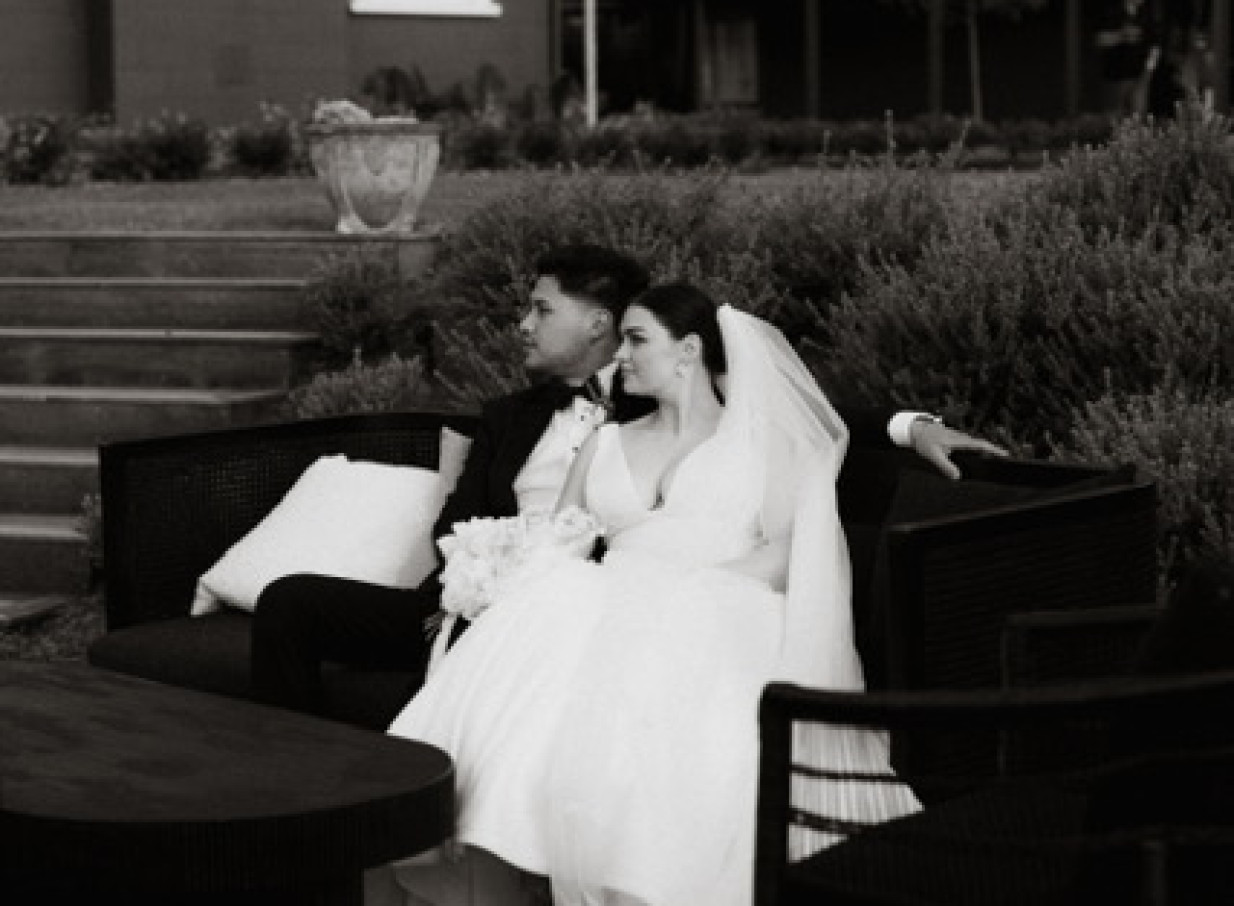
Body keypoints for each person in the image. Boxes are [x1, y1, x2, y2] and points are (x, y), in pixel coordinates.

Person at [251, 244, 1003, 720]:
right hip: (472, 600)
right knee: (290, 601)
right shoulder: (507, 417)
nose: (522, 324)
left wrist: (912, 426)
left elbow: (808, 414)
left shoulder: (682, 398)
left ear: (598, 324)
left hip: (594, 603)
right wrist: (464, 584)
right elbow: (458, 521)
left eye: (541, 309)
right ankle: (299, 788)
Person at [376, 285, 924, 906]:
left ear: (688, 349)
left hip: (724, 602)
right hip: (607, 598)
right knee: (522, 678)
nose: (622, 357)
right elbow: (561, 536)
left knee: (658, 699)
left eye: (638, 340)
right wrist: (498, 569)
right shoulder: (604, 442)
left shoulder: (763, 444)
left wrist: (693, 589)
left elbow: (786, 553)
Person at [1095, 0, 1157, 118]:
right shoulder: (1111, 11)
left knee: (1137, 120)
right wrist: (1121, 36)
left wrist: (1147, 75)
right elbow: (1099, 40)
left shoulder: (1146, 14)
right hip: (1115, 79)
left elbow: (1155, 47)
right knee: (1113, 120)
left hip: (1139, 78)